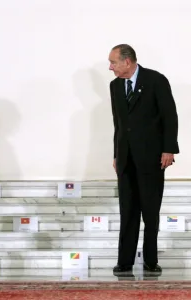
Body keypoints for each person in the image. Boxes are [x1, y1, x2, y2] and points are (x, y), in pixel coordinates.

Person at [108, 44, 179, 274]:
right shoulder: (115, 86)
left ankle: (150, 260)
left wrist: (169, 149)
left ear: (127, 61)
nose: (110, 67)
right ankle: (125, 261)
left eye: (113, 62)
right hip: (126, 158)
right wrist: (116, 154)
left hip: (152, 158)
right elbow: (118, 124)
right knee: (127, 210)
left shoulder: (156, 80)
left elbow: (170, 116)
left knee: (150, 210)